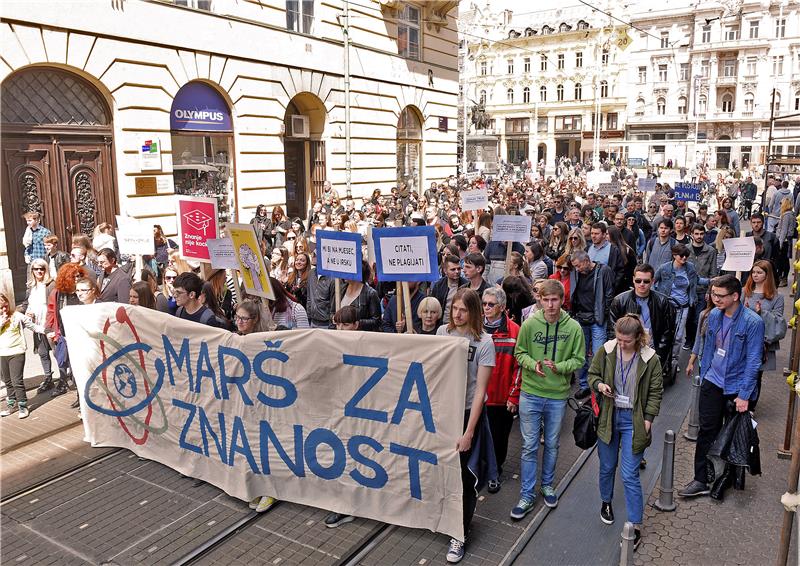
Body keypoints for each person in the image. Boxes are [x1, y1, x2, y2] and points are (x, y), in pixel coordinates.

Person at [678, 274, 765, 498]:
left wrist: (745, 394)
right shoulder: (713, 316)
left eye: (719, 295)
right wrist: (704, 372)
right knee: (706, 431)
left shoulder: (753, 322)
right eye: (713, 294)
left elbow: (754, 360)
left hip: (737, 387)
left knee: (733, 434)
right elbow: (708, 345)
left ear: (735, 296)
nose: (714, 298)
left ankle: (727, 477)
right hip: (712, 382)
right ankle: (701, 479)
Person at [589, 314, 663, 550]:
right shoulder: (607, 350)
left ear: (638, 338)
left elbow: (655, 391)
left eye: (626, 341)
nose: (621, 344)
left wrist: (648, 420)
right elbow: (592, 375)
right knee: (608, 466)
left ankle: (635, 524)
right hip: (609, 416)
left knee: (630, 474)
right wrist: (600, 385)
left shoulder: (651, 359)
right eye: (618, 339)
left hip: (634, 419)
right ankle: (606, 501)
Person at [512, 279, 584, 517]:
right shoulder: (530, 325)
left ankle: (547, 485)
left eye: (555, 300)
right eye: (546, 300)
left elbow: (579, 359)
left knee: (552, 444)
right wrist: (534, 365)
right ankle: (527, 494)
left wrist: (560, 367)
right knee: (529, 446)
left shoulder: (573, 328)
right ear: (539, 300)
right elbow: (519, 353)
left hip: (557, 396)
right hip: (531, 393)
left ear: (562, 301)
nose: (551, 305)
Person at [437, 289, 495, 564]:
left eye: (463, 310)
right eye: (454, 309)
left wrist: (469, 432)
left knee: (463, 476)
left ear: (474, 312)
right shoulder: (442, 333)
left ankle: (460, 533)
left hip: (466, 415)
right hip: (441, 414)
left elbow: (480, 390)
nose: (457, 314)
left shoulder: (484, 342)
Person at [233, 299, 278, 513]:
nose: (239, 322)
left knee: (264, 446)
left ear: (255, 320)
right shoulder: (233, 340)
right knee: (248, 445)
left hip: (264, 402)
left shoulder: (265, 340)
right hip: (245, 400)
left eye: (244, 318)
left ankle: (270, 490)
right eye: (238, 317)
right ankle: (254, 487)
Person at [482, 287, 522, 493]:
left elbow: (519, 367)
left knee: (499, 439)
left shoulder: (515, 331)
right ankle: (481, 471)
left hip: (500, 398)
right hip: (478, 397)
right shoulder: (475, 328)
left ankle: (494, 472)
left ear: (502, 307)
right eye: (484, 304)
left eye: (491, 304)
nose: (486, 308)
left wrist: (513, 397)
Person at [609, 264, 675, 384]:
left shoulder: (662, 301)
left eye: (646, 281)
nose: (642, 284)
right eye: (638, 280)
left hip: (651, 348)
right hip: (628, 348)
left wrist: (660, 353)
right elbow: (613, 328)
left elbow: (668, 331)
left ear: (652, 281)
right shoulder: (619, 301)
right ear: (633, 280)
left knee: (648, 383)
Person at [570, 250, 615, 399]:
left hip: (597, 319)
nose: (577, 269)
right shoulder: (577, 273)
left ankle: (597, 384)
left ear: (586, 261)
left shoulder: (603, 271)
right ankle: (584, 385)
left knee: (598, 354)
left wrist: (604, 313)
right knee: (581, 355)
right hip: (581, 317)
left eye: (578, 266)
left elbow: (609, 294)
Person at [741, 260, 784, 408]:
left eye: (759, 272)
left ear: (767, 275)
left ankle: (751, 405)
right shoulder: (745, 292)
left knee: (756, 374)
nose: (755, 275)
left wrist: (762, 313)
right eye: (753, 272)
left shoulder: (777, 297)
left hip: (761, 343)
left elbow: (778, 321)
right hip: (743, 339)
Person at [654, 244, 699, 379]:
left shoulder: (690, 267)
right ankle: (660, 359)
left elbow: (696, 281)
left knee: (678, 337)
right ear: (674, 255)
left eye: (686, 255)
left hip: (683, 306)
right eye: (681, 255)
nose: (684, 258)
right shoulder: (664, 268)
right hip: (667, 306)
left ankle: (673, 361)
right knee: (664, 333)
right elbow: (653, 281)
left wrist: (711, 282)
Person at [46, 263, 88, 397]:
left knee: (82, 369)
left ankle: (82, 398)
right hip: (64, 335)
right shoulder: (57, 293)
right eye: (74, 277)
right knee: (67, 364)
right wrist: (49, 329)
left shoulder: (83, 291)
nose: (77, 279)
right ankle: (77, 394)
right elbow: (51, 312)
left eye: (79, 275)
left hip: (82, 336)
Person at [17, 258, 55, 393]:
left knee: (57, 352)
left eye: (42, 268)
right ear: (32, 271)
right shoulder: (31, 286)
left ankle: (64, 379)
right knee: (42, 353)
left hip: (50, 323)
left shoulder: (51, 285)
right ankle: (48, 378)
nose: (39, 271)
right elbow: (27, 304)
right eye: (36, 269)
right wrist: (23, 313)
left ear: (46, 270)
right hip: (36, 325)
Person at [1, 293, 43, 419]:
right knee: (8, 381)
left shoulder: (16, 316)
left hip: (17, 352)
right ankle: (11, 405)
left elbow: (32, 326)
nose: (4, 310)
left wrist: (47, 331)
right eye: (1, 307)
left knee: (16, 381)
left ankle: (23, 406)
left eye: (5, 306)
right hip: (2, 353)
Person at [685, 224, 719, 349]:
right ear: (692, 234)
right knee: (687, 317)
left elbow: (713, 273)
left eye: (701, 234)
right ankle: (688, 339)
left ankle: (696, 341)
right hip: (687, 290)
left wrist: (710, 290)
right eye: (697, 234)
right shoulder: (686, 249)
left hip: (702, 290)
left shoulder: (710, 251)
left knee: (699, 317)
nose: (699, 236)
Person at [330, 260, 380, 331]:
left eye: (349, 270)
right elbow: (332, 312)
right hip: (340, 336)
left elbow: (376, 321)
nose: (345, 273)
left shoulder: (371, 293)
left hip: (360, 337)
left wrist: (355, 323)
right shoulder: (339, 290)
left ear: (358, 273)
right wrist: (334, 319)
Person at [430, 254, 467, 325]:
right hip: (442, 324)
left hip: (460, 324)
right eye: (453, 269)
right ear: (445, 271)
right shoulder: (438, 285)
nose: (457, 271)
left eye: (459, 269)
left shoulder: (467, 286)